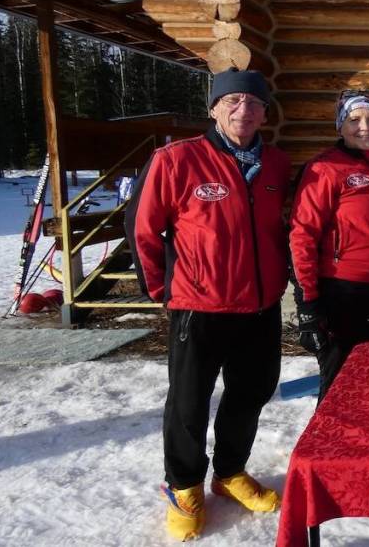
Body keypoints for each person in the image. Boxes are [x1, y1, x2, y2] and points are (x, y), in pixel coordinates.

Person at [125, 68, 288, 541]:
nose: (244, 110)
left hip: (260, 306)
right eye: (233, 101)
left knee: (251, 393)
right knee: (189, 402)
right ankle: (184, 486)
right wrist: (161, 290)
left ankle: (230, 472)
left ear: (265, 112)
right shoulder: (178, 159)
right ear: (214, 107)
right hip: (199, 306)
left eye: (255, 103)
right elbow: (142, 229)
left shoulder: (276, 163)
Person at [289, 90, 369, 401]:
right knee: (340, 388)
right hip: (343, 296)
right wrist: (308, 305)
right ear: (340, 126)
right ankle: (324, 449)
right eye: (354, 120)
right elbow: (302, 236)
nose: (365, 127)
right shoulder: (324, 169)